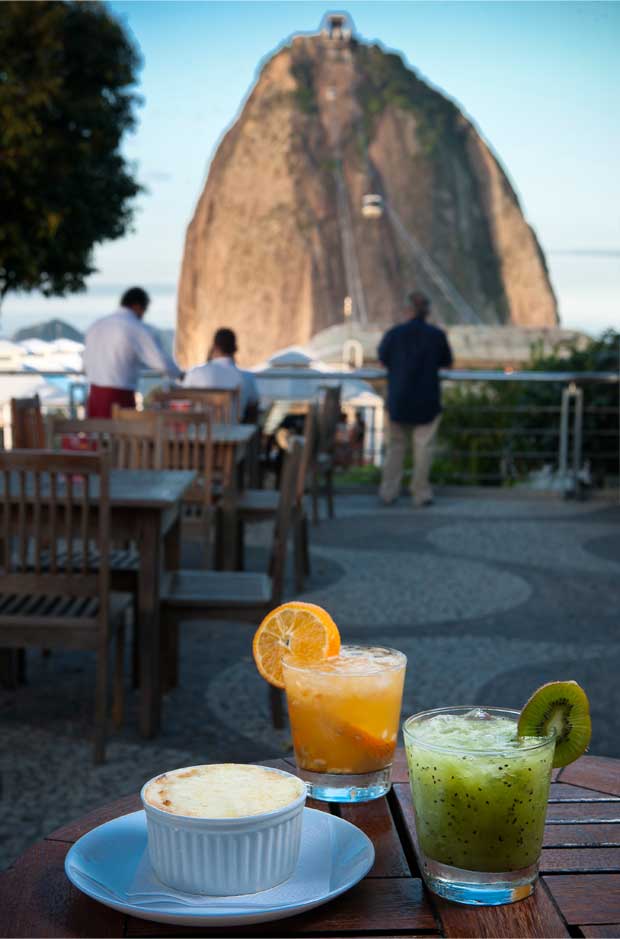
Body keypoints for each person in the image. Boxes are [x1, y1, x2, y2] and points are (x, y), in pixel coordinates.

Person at [378, 291, 453, 506]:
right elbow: (447, 363)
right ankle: (420, 494)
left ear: (408, 310)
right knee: (423, 448)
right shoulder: (437, 336)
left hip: (398, 400)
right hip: (427, 401)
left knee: (395, 447)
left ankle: (388, 492)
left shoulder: (394, 334)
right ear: (427, 311)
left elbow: (383, 361)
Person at [83, 287, 182, 417]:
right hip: (119, 397)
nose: (143, 315)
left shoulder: (96, 325)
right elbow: (160, 362)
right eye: (144, 310)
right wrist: (180, 374)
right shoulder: (135, 328)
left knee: (96, 435)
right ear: (137, 306)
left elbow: (85, 363)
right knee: (120, 436)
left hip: (94, 396)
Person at [183, 327, 260, 422]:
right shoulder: (247, 377)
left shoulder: (195, 373)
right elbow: (253, 409)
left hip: (198, 434)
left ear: (214, 347)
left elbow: (183, 404)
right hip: (233, 435)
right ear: (235, 349)